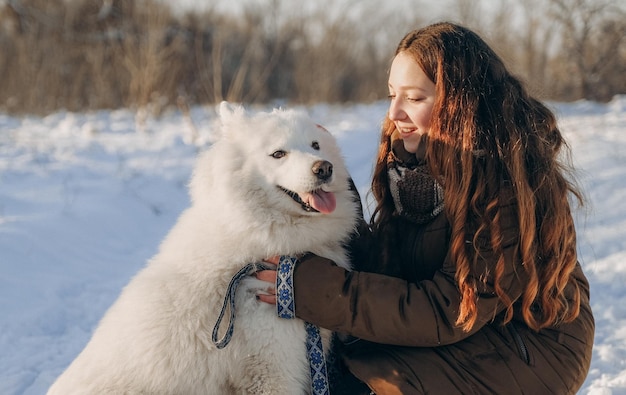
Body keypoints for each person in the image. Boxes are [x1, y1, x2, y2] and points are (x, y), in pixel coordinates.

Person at [255, 21, 594, 394]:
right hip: (461, 327)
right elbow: (393, 268)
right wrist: (331, 192)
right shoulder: (417, 172)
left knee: (362, 381)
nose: (395, 113)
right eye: (391, 96)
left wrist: (311, 288)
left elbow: (448, 310)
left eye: (414, 98)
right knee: (335, 363)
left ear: (461, 105)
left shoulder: (506, 186)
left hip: (526, 347)